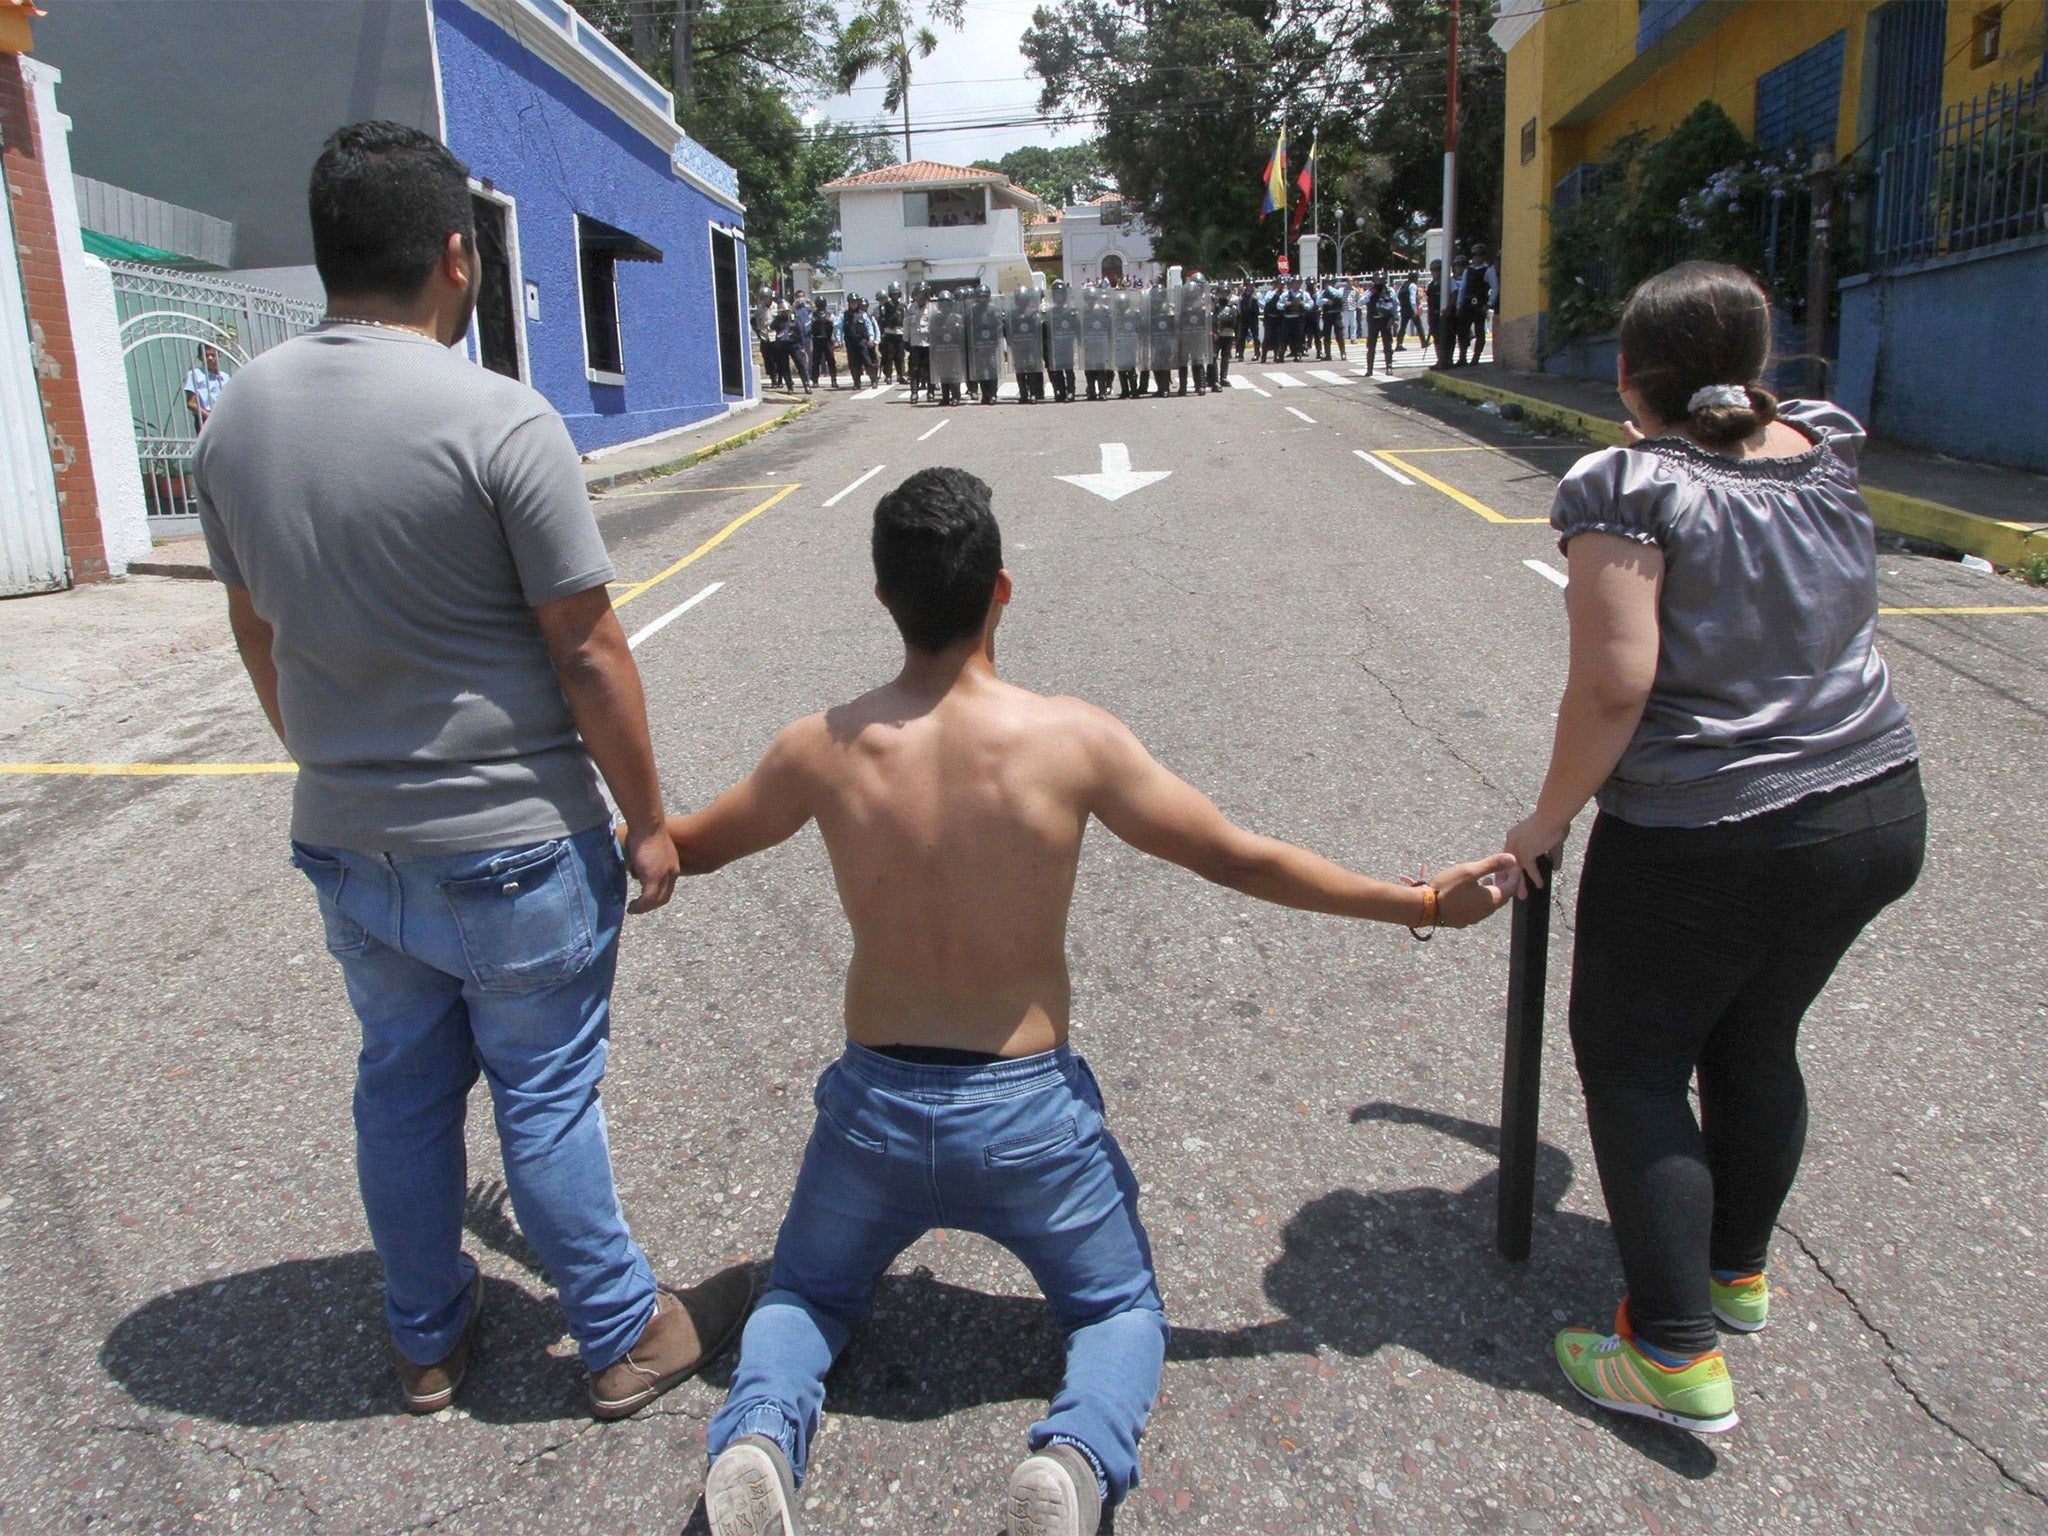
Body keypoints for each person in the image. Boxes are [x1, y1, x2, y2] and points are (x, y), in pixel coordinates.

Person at [676, 467, 1516, 1536]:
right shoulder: (1069, 740)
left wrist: (589, 828)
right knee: (1117, 1309)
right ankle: (1072, 1461)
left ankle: (754, 1439)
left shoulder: (820, 748)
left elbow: (684, 850)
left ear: (883, 600)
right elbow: (1238, 860)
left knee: (800, 1298)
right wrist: (1421, 904)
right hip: (1027, 1115)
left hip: (874, 1112)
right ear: (1002, 592)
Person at [194, 120, 752, 1422]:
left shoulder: (235, 426)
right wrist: (650, 821)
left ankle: (426, 1336)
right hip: (513, 845)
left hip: (347, 841)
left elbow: (253, 628)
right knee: (545, 1095)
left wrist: (328, 761)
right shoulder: (501, 418)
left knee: (401, 1083)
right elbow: (591, 652)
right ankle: (619, 1331)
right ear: (458, 255)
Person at [1502, 262, 1926, 1437]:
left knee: (1633, 1066)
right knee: (1753, 1033)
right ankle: (1732, 1273)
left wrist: (1541, 826)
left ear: (1628, 380)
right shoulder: (1823, 444)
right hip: (1873, 802)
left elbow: (1610, 686)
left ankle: (1673, 1357)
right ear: (1761, 355)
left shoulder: (1626, 484)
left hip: (1709, 832)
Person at [182, 343, 230, 432]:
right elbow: (191, 403)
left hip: (224, 418)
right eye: (206, 355)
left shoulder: (225, 377)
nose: (210, 358)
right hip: (204, 418)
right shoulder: (195, 374)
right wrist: (209, 416)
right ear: (200, 357)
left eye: (213, 355)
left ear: (219, 356)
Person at [1364, 276, 1398, 375]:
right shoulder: (1370, 291)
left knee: (1387, 345)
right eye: (1377, 280)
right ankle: (1369, 369)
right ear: (1374, 281)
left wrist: (1396, 318)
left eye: (1381, 280)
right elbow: (1360, 302)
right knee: (1371, 346)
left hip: (1385, 321)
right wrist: (1370, 293)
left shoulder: (1389, 290)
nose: (1379, 282)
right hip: (1373, 320)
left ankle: (1389, 367)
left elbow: (1395, 304)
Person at [877, 283, 907, 384]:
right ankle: (888, 376)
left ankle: (901, 375)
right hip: (889, 333)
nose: (895, 296)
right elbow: (882, 319)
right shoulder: (886, 306)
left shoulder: (903, 306)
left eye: (897, 294)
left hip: (900, 332)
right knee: (889, 355)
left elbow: (906, 319)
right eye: (893, 294)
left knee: (900, 355)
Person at [788, 296, 815, 393]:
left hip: (807, 336)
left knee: (809, 356)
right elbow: (789, 313)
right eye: (798, 297)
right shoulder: (795, 310)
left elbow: (814, 310)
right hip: (797, 338)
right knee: (802, 360)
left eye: (801, 297)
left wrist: (810, 302)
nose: (800, 300)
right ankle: (805, 378)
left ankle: (809, 376)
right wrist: (794, 304)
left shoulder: (806, 309)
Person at [809, 301, 840, 389]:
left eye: (822, 305)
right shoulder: (813, 315)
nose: (821, 307)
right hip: (817, 340)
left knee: (831, 361)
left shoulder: (829, 315)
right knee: (816, 362)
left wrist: (836, 339)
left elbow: (836, 326)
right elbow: (807, 326)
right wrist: (812, 322)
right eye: (819, 305)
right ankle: (815, 381)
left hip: (827, 340)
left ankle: (834, 380)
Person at [1428, 260, 1452, 370]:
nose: (1435, 272)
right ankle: (1440, 360)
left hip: (1444, 314)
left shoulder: (1447, 282)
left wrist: (1448, 308)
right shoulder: (1431, 284)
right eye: (1433, 270)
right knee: (1436, 339)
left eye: (1437, 270)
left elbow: (1455, 294)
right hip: (1433, 315)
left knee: (1446, 339)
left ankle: (1447, 360)